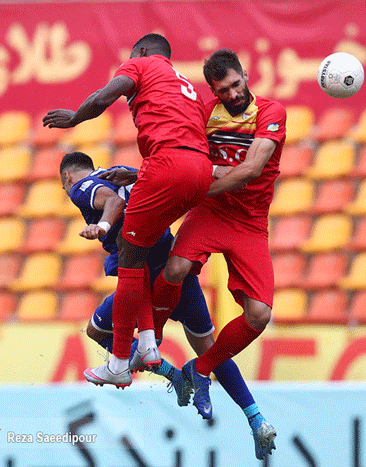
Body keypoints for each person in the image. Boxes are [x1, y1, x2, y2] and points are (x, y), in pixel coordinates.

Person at [60, 152, 276, 459]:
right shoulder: (119, 172)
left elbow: (113, 202)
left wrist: (104, 225)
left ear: (67, 177)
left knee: (98, 330)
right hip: (175, 272)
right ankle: (255, 417)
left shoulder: (81, 188)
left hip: (145, 281)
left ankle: (162, 369)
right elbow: (159, 182)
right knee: (208, 348)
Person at [44, 33, 213, 388]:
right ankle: (150, 347)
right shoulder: (187, 88)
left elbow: (103, 97)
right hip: (199, 174)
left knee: (128, 256)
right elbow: (190, 145)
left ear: (143, 52)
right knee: (137, 251)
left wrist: (75, 118)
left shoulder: (141, 64)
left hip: (165, 166)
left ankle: (121, 362)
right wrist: (141, 175)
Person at [147, 49, 286, 422]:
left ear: (245, 74)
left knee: (259, 315)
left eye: (236, 84)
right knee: (175, 268)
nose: (233, 94)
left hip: (250, 223)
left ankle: (201, 367)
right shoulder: (205, 114)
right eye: (223, 90)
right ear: (213, 90)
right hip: (211, 213)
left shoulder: (271, 112)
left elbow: (252, 169)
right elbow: (182, 157)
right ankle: (151, 339)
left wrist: (199, 187)